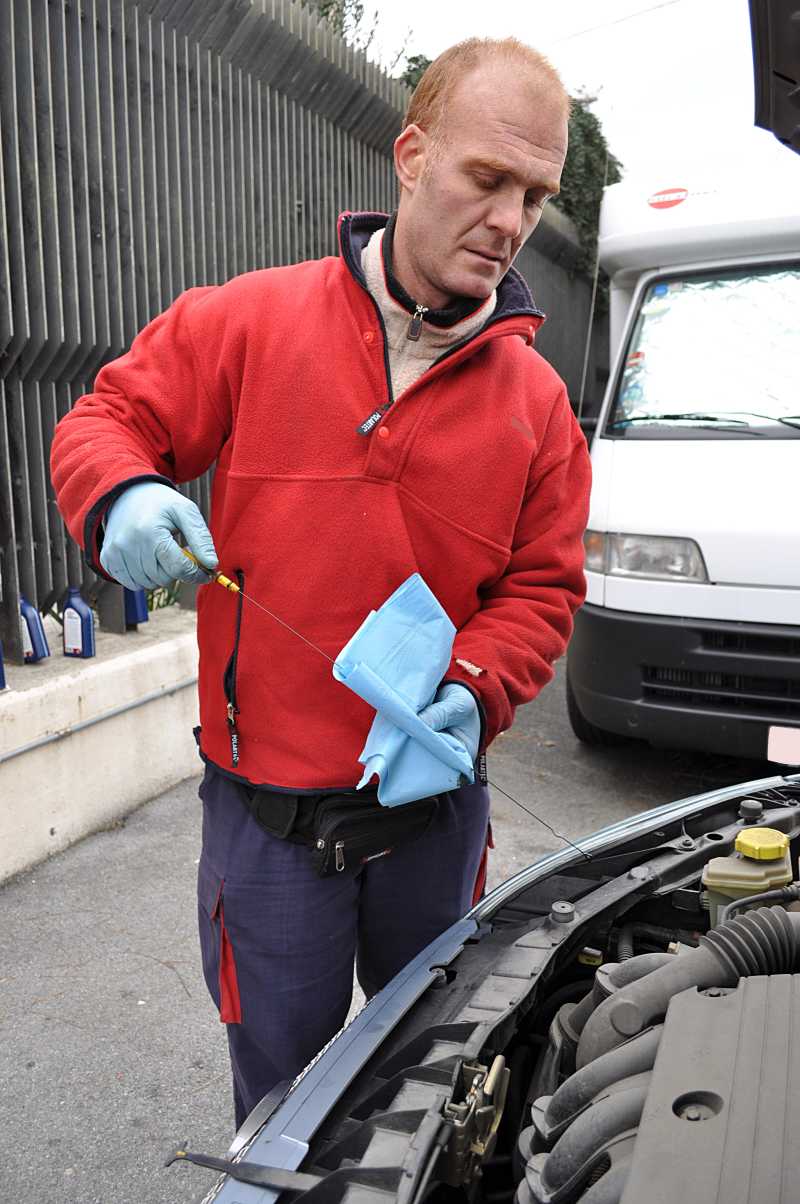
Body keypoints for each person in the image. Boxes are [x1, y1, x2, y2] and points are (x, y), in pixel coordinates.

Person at [51, 37, 591, 1129]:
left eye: (532, 195)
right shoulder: (246, 322)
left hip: (434, 819)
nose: (507, 220)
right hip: (267, 830)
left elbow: (542, 588)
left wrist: (476, 685)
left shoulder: (536, 406)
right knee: (280, 1107)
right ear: (409, 154)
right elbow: (106, 419)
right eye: (485, 177)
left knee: (426, 1097)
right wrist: (119, 497)